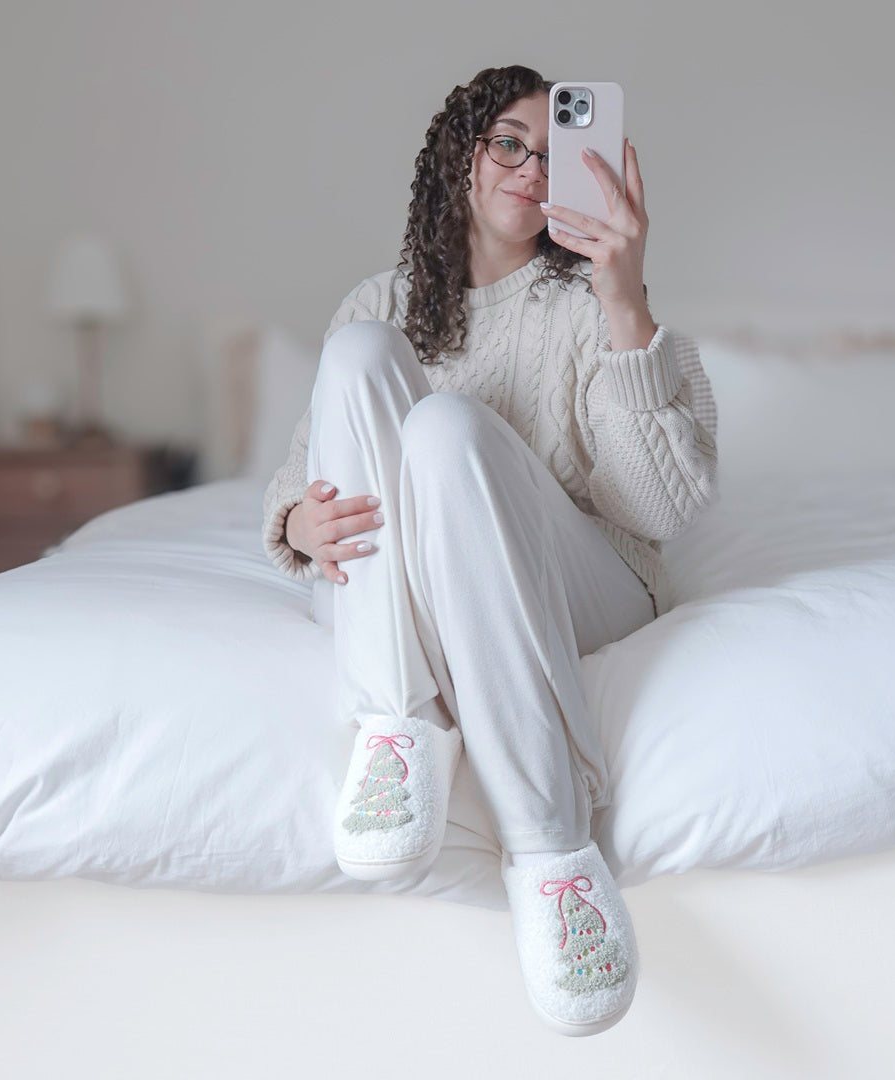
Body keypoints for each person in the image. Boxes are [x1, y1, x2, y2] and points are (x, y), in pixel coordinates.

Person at [261, 65, 718, 1037]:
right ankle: (399, 727)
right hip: (396, 587)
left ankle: (553, 854)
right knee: (360, 360)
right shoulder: (375, 302)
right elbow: (299, 481)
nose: (529, 165)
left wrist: (626, 299)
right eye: (508, 142)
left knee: (447, 431)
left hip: (578, 573)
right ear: (457, 159)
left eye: (555, 153)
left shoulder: (592, 302)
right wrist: (298, 523)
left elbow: (657, 508)